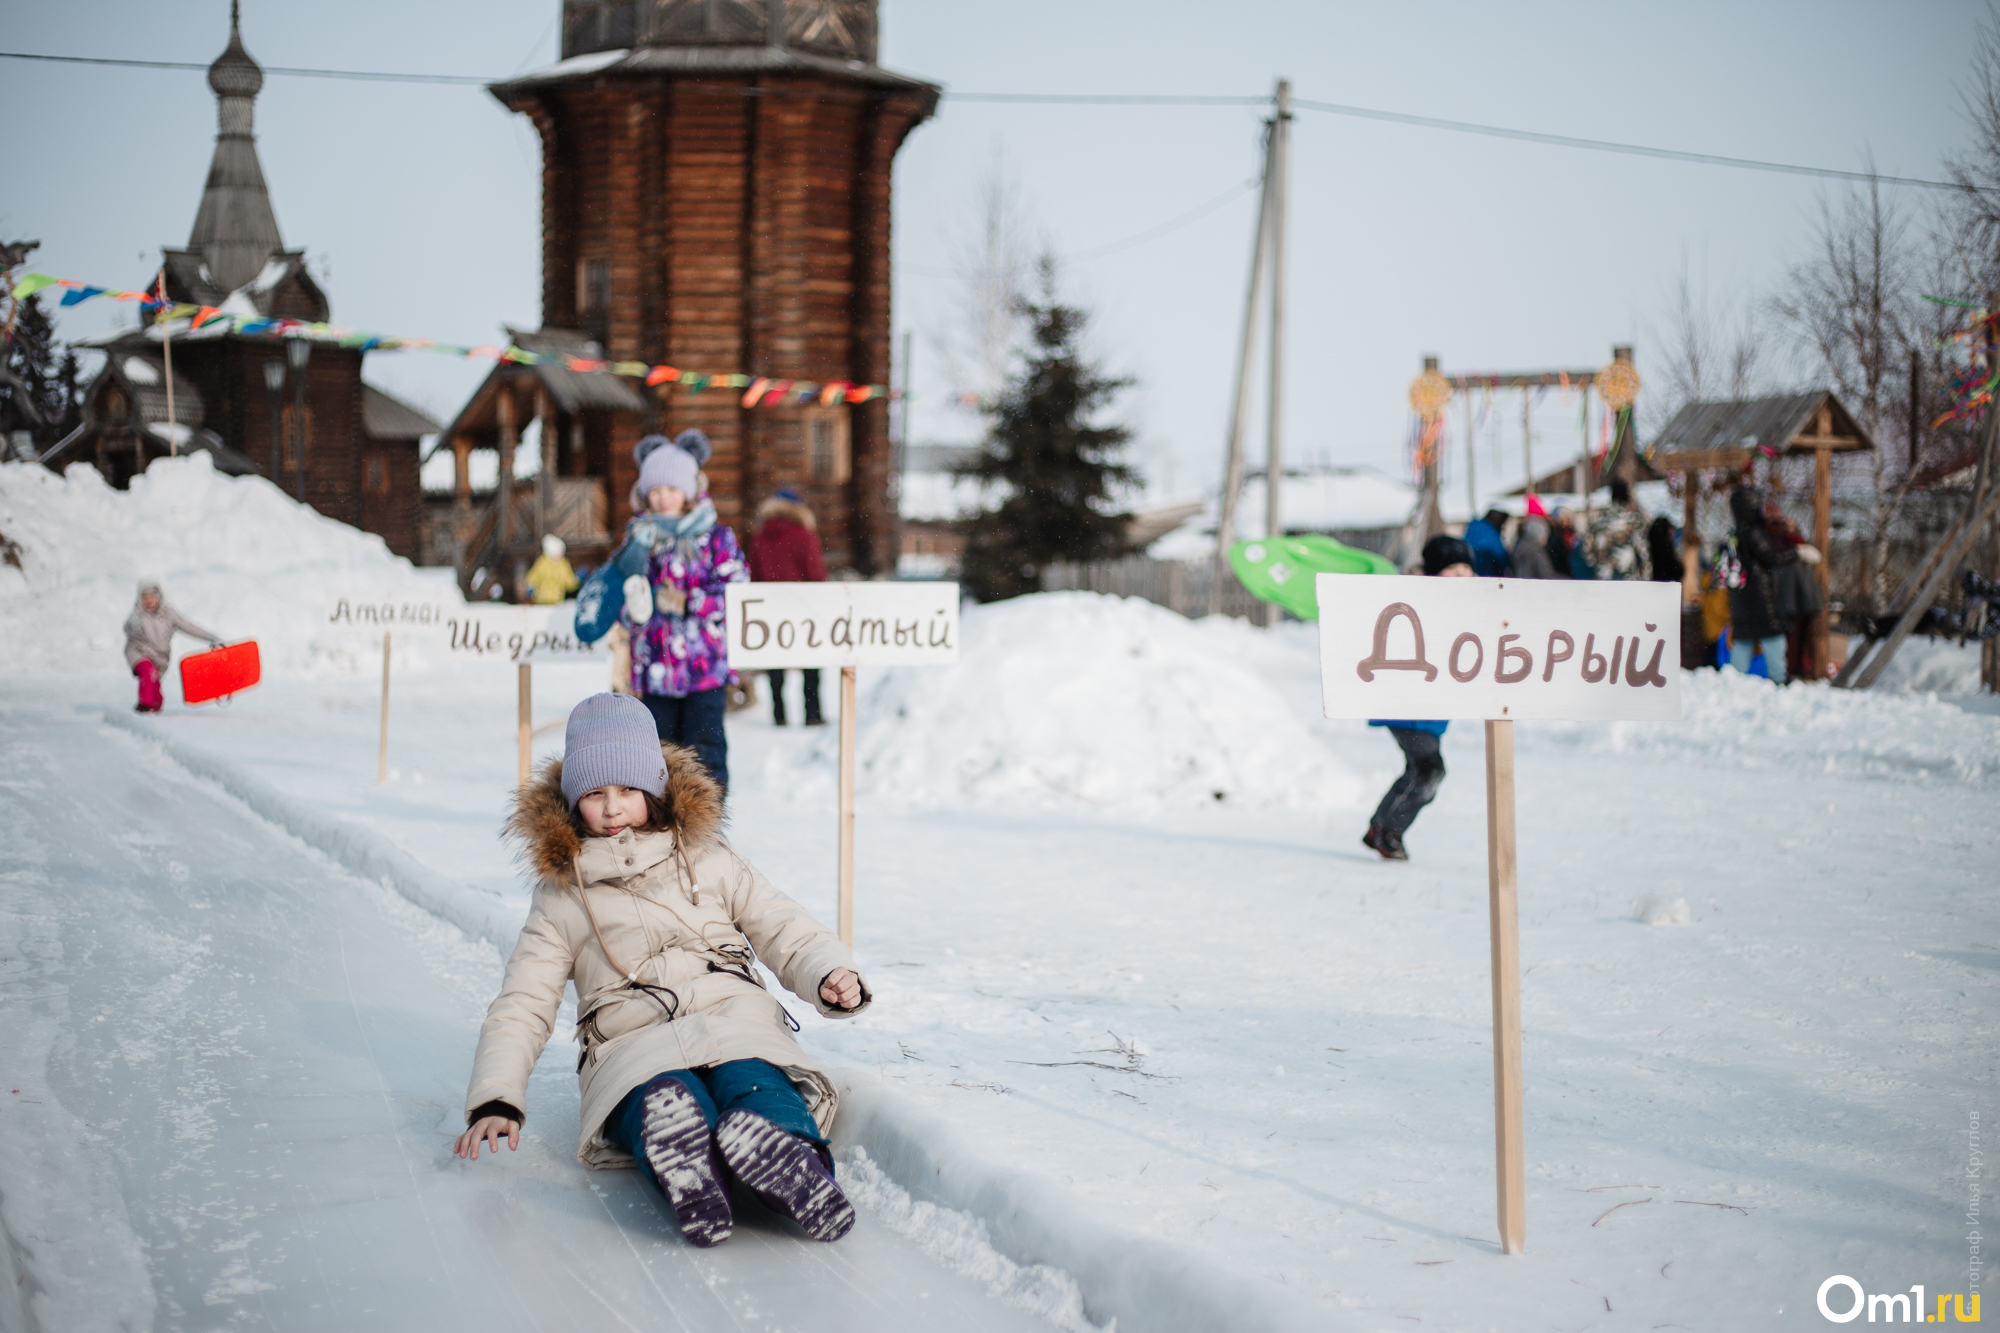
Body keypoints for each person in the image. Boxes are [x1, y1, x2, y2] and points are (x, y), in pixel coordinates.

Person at [455, 693, 869, 1247]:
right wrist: (496, 1094)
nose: (611, 808)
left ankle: (786, 1154)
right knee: (661, 1101)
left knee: (756, 1080)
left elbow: (781, 924)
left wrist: (827, 973)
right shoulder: (562, 896)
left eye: (627, 790)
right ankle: (688, 1164)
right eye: (594, 794)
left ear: (654, 786)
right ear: (571, 800)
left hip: (731, 1017)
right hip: (630, 1044)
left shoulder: (708, 857)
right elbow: (524, 1001)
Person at [619, 431, 748, 791]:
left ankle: (707, 832)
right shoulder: (639, 541)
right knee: (658, 756)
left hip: (704, 669)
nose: (662, 498)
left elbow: (736, 593)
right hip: (656, 670)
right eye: (654, 490)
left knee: (706, 753)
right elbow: (619, 597)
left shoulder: (716, 539)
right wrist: (635, 610)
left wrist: (689, 601)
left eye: (671, 489)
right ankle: (664, 833)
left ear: (689, 491)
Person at [1362, 534, 1474, 862]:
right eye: (1454, 570)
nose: (1463, 576)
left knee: (1420, 770)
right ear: (1435, 572)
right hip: (1404, 704)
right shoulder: (1411, 599)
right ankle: (1389, 831)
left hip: (1432, 706)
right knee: (1430, 769)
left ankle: (1379, 827)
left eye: (1467, 569)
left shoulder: (1468, 602)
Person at [747, 487, 827, 727]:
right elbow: (815, 573)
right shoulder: (804, 535)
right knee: (811, 662)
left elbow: (754, 574)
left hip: (771, 607)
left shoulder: (760, 536)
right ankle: (812, 713)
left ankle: (779, 714)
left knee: (775, 662)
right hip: (803, 607)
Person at [1719, 484, 1799, 684]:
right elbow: (1769, 557)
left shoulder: (1734, 534)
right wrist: (1797, 553)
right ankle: (1780, 678)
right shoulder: (1753, 533)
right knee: (1773, 638)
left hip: (1740, 599)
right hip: (1759, 598)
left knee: (1743, 641)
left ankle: (1734, 681)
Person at [123, 578, 222, 713]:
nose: (149, 600)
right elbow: (129, 630)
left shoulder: (168, 613)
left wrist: (210, 637)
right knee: (148, 671)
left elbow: (188, 626)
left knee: (156, 701)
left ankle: (152, 706)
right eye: (145, 597)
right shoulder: (138, 614)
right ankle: (143, 706)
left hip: (159, 656)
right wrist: (133, 625)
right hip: (139, 652)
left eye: (152, 596)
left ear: (159, 596)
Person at [1763, 500, 1824, 680]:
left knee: (1797, 635)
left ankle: (1799, 669)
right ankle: (1792, 669)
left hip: (1797, 592)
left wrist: (1793, 533)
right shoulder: (1769, 537)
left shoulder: (1788, 538)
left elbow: (1809, 554)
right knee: (1792, 635)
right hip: (1789, 592)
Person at [1579, 479, 1651, 580]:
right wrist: (1645, 577)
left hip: (1603, 578)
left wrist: (1600, 563)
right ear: (1627, 497)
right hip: (1628, 579)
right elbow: (1643, 553)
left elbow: (1586, 551)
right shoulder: (1634, 521)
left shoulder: (1597, 521)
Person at [526, 534, 580, 606]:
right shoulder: (542, 563)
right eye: (559, 552)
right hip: (541, 602)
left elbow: (569, 583)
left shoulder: (564, 565)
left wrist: (578, 580)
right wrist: (531, 586)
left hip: (557, 603)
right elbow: (532, 577)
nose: (561, 555)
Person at [1461, 508, 1513, 577]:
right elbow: (1502, 558)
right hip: (1489, 577)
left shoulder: (1472, 528)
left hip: (1472, 575)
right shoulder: (1491, 534)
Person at [1647, 516, 1682, 587]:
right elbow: (1674, 570)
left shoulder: (1648, 545)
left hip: (1651, 586)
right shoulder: (1666, 548)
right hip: (1665, 587)